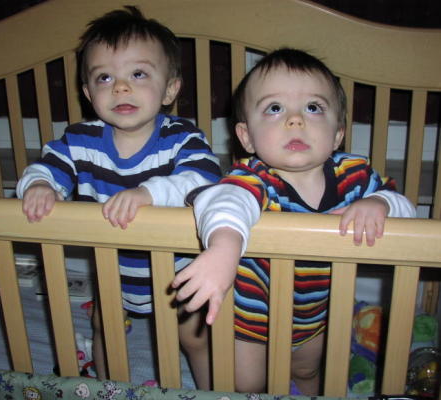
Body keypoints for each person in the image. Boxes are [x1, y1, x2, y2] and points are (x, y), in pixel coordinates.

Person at [172, 48, 416, 394]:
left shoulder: (355, 177)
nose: (295, 120)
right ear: (246, 138)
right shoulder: (254, 178)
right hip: (251, 320)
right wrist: (224, 246)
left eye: (313, 108)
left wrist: (380, 203)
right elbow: (223, 200)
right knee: (246, 384)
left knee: (307, 371)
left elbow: (405, 208)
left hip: (314, 317)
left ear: (336, 134)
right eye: (275, 108)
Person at [16, 6, 221, 388]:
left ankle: (215, 393)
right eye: (104, 77)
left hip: (181, 273)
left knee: (195, 337)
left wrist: (149, 193)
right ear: (88, 92)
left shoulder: (181, 137)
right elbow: (48, 166)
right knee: (104, 328)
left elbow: (206, 178)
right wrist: (41, 186)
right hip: (113, 271)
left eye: (138, 74)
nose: (121, 87)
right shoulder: (81, 140)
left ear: (171, 89)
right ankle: (106, 389)